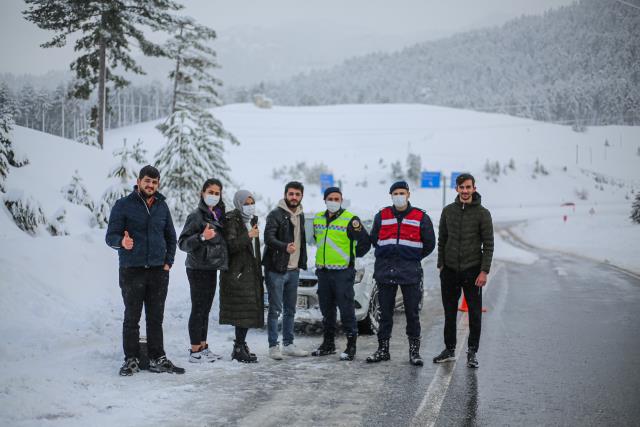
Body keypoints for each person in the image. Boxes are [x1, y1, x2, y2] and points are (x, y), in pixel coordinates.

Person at [105, 165, 184, 376]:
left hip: (158, 271)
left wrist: (169, 262)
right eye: (147, 181)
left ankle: (158, 357)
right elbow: (110, 236)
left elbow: (171, 237)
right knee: (132, 317)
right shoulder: (123, 205)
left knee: (155, 317)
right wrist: (122, 241)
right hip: (132, 270)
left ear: (158, 184)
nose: (151, 185)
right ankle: (131, 359)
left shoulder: (162, 206)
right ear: (139, 181)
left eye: (155, 182)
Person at [367, 181, 435, 366]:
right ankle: (383, 350)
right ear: (391, 195)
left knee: (412, 314)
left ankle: (414, 352)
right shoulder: (382, 215)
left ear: (408, 194)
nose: (399, 196)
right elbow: (374, 239)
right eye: (395, 193)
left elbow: (430, 244)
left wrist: (412, 257)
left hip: (409, 272)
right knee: (385, 313)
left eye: (402, 192)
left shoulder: (421, 217)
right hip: (385, 271)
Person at [433, 173, 494, 368]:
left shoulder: (483, 214)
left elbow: (488, 245)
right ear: (457, 189)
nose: (465, 191)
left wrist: (484, 271)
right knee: (450, 313)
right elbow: (442, 239)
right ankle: (449, 349)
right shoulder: (448, 211)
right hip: (450, 270)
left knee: (474, 314)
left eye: (468, 187)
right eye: (462, 187)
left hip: (472, 271)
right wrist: (441, 264)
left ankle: (472, 352)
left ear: (474, 188)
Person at [311, 187, 371, 361]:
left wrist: (352, 257)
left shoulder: (350, 220)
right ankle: (328, 344)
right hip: (323, 272)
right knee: (327, 311)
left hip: (343, 273)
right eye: (330, 198)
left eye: (337, 199)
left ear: (341, 200)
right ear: (325, 200)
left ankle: (351, 346)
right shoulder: (318, 218)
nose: (334, 201)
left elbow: (365, 242)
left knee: (346, 310)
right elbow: (318, 240)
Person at [178, 178, 228, 363]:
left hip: (210, 268)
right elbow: (182, 243)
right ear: (202, 193)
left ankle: (203, 346)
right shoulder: (196, 216)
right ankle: (194, 351)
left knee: (205, 309)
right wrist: (201, 237)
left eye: (217, 193)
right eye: (211, 192)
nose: (213, 196)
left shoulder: (216, 215)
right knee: (198, 309)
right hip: (197, 268)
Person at [262, 181, 309, 360]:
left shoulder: (301, 215)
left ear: (302, 196)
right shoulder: (275, 214)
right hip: (276, 269)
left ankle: (289, 344)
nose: (294, 197)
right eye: (291, 194)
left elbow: (301, 241)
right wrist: (284, 247)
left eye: (297, 194)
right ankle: (274, 346)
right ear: (285, 195)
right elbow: (268, 238)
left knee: (291, 309)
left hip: (294, 269)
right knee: (275, 310)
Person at [219, 190, 264, 363]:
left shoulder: (249, 221)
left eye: (252, 202)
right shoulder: (232, 221)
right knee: (242, 311)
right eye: (246, 203)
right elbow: (229, 246)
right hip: (236, 273)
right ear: (238, 203)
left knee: (246, 310)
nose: (250, 206)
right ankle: (238, 347)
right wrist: (248, 236)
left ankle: (241, 344)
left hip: (248, 272)